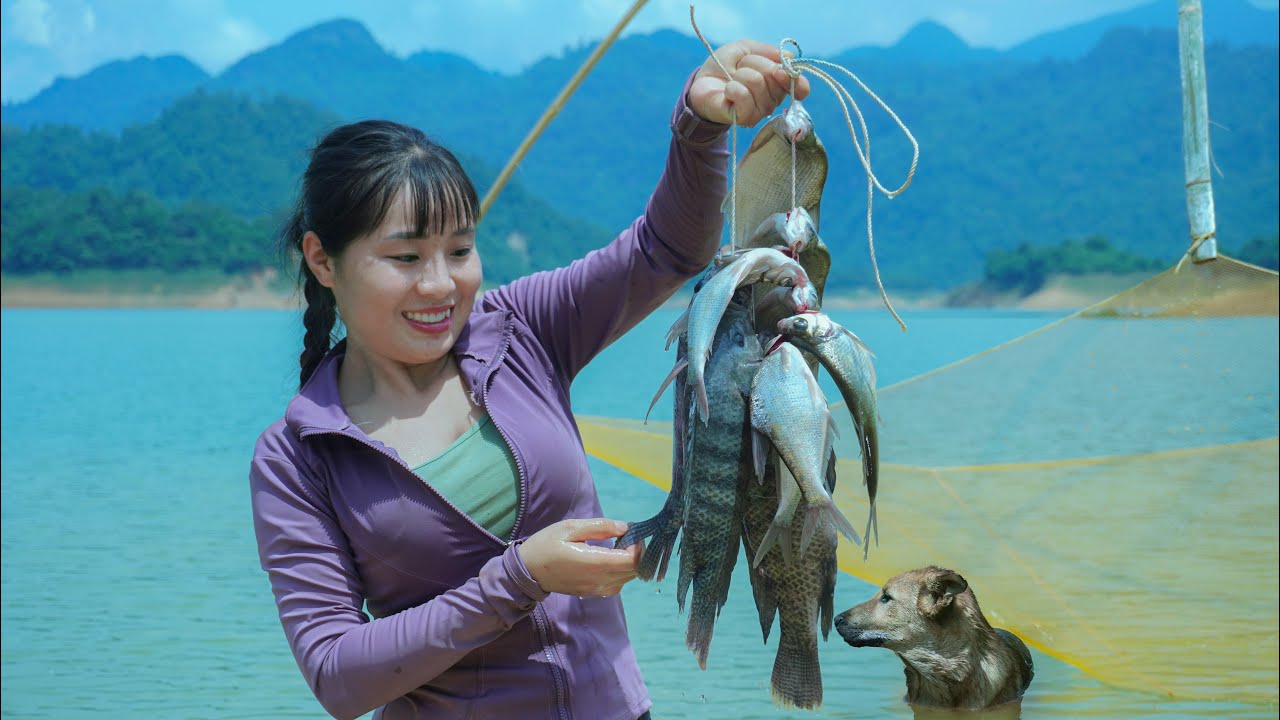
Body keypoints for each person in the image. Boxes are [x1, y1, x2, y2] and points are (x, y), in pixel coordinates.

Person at [249, 38, 809, 720]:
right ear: (322, 260)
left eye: (460, 250)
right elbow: (338, 676)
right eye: (405, 258)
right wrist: (519, 578)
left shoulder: (521, 330)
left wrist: (700, 125)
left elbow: (665, 250)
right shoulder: (298, 458)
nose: (440, 285)